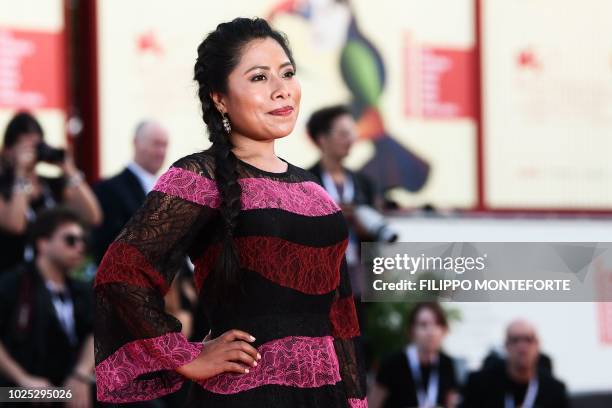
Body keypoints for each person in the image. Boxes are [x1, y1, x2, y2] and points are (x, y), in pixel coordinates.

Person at [93, 17, 368, 407]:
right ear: (220, 97)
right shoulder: (198, 176)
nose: (281, 90)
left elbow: (341, 317)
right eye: (259, 78)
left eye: (287, 73)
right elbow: (121, 272)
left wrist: (356, 402)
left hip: (325, 396)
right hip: (243, 395)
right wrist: (186, 356)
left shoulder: (314, 190)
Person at [0, 207, 95, 407]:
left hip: (65, 389)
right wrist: (22, 379)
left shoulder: (81, 290)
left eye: (82, 241)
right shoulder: (13, 284)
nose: (79, 247)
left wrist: (81, 375)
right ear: (43, 244)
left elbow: (96, 332)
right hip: (13, 391)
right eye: (70, 240)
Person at [0, 112, 102, 272]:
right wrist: (20, 173)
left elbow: (93, 216)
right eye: (24, 147)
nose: (31, 153)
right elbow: (15, 225)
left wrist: (68, 168)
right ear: (7, 151)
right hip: (13, 281)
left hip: (50, 282)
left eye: (36, 146)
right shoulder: (4, 187)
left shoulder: (51, 185)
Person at [306, 105, 380, 301]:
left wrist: (362, 224)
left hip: (359, 281)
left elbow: (375, 234)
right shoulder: (306, 181)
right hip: (320, 280)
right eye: (343, 133)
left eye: (352, 133)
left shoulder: (364, 183)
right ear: (322, 139)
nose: (351, 139)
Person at [91, 120, 169, 264]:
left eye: (165, 145)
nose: (161, 152)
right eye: (156, 144)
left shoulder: (168, 191)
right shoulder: (109, 189)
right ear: (136, 143)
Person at [461, 319, 569, 408]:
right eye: (515, 340)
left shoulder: (554, 389)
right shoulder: (479, 385)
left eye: (528, 339)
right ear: (506, 345)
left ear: (537, 345)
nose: (522, 347)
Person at [369, 302, 459, 408]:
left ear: (444, 330)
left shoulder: (446, 364)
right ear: (411, 331)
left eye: (437, 324)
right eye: (423, 324)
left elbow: (451, 403)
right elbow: (373, 404)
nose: (431, 332)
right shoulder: (392, 364)